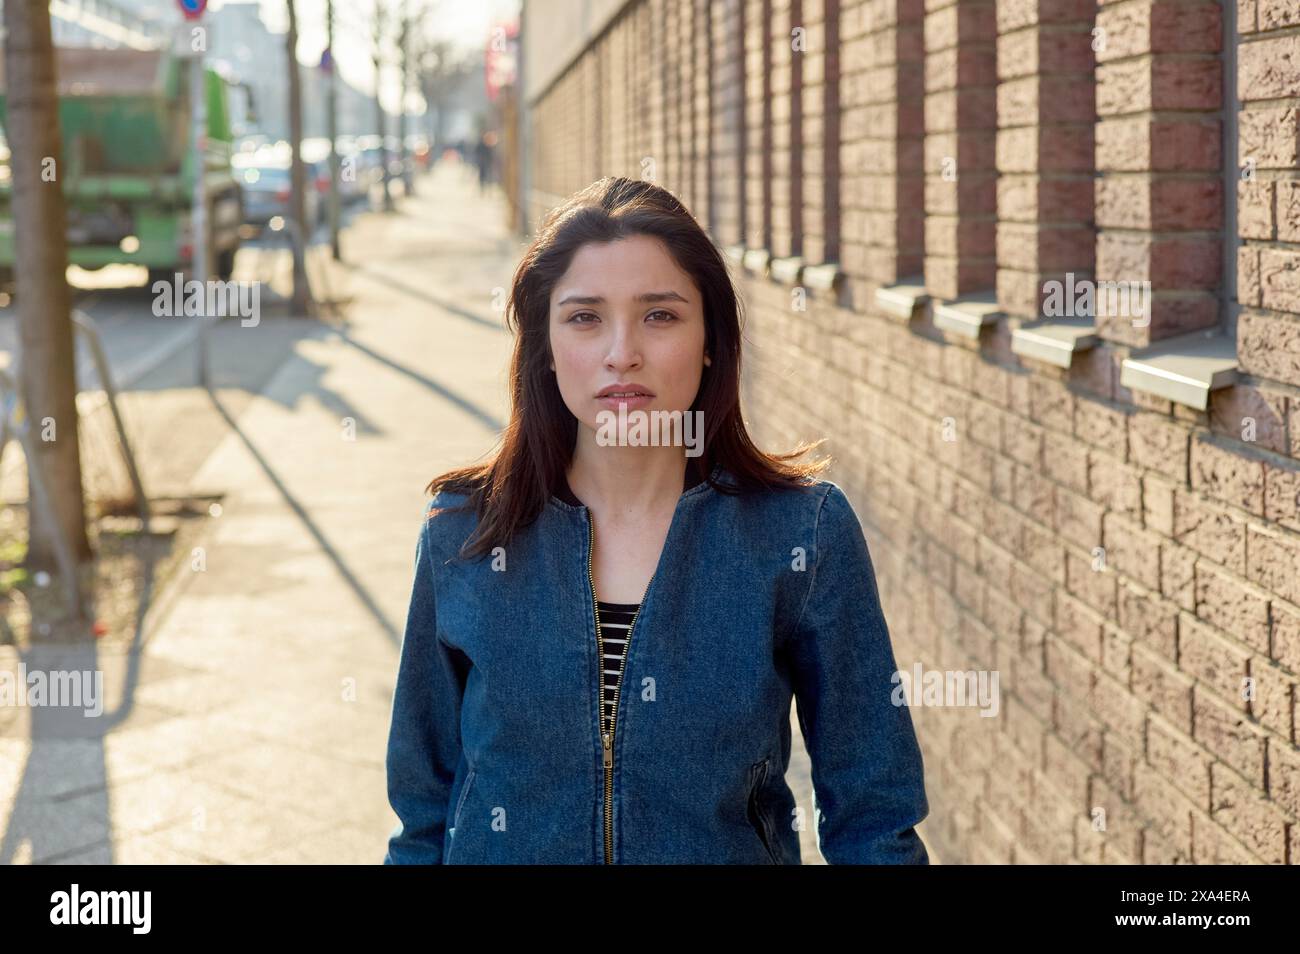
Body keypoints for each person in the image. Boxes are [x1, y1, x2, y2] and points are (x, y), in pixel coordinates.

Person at [383, 176, 930, 864]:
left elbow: (873, 817)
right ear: (547, 347)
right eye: (585, 317)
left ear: (710, 340)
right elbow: (422, 818)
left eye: (660, 315)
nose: (622, 353)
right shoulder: (462, 535)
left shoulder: (800, 536)